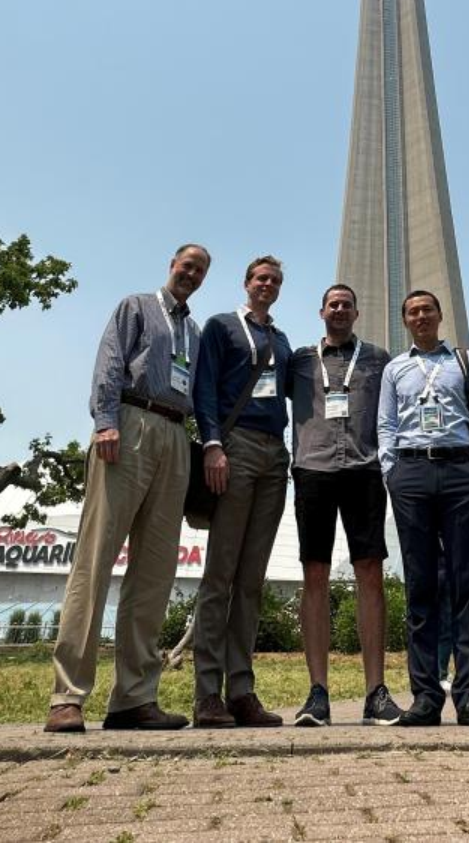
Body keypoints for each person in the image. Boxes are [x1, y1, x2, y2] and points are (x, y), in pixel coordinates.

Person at [45, 243, 211, 733]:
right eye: (187, 266)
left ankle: (135, 697)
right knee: (95, 561)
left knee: (156, 572)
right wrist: (105, 422)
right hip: (129, 424)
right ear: (171, 266)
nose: (192, 274)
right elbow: (110, 362)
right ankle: (67, 696)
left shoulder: (194, 332)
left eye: (200, 270)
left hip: (176, 434)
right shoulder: (137, 307)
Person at [378, 289, 469, 727]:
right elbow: (386, 424)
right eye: (412, 311)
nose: (421, 316)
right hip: (411, 473)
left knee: (467, 583)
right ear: (405, 320)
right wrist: (391, 472)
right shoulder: (395, 368)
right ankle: (426, 695)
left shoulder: (464, 363)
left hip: (459, 469)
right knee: (421, 585)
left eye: (427, 309)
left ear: (440, 315)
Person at [288, 283, 403, 727]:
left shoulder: (379, 359)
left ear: (357, 313)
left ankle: (376, 691)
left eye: (346, 304)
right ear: (321, 312)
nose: (339, 309)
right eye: (332, 303)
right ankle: (318, 692)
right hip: (313, 470)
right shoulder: (298, 360)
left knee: (370, 572)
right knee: (313, 573)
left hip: (364, 469)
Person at [191, 255, 292, 728]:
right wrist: (212, 444)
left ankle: (242, 689)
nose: (267, 285)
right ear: (247, 283)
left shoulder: (283, 341)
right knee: (220, 576)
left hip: (276, 455)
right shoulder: (222, 327)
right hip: (235, 449)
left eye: (274, 280)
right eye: (260, 279)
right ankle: (207, 693)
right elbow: (203, 387)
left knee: (251, 579)